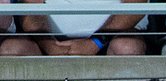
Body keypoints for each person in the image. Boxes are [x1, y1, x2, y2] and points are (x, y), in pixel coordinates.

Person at [0, 0, 146, 56]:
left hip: (110, 37)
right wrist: (48, 44)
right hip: (45, 40)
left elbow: (135, 5)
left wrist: (96, 42)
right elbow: (31, 9)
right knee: (12, 50)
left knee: (127, 48)